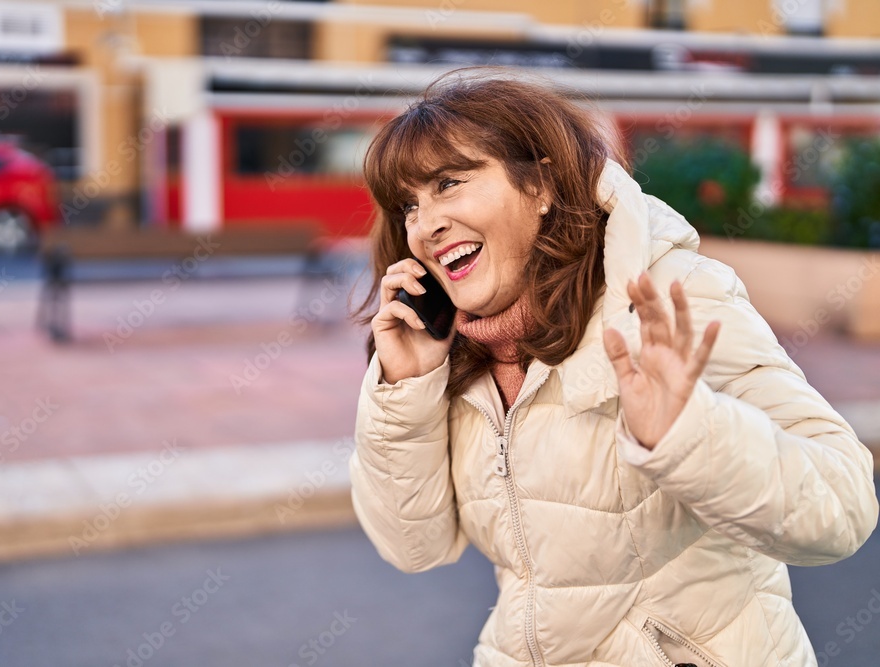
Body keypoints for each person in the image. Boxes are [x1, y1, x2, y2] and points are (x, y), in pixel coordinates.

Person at [348, 68, 879, 667]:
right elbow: (414, 546)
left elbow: (843, 507)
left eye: (449, 183)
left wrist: (689, 433)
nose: (424, 225)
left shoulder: (669, 297)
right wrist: (404, 389)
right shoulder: (457, 353)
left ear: (540, 184)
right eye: (408, 205)